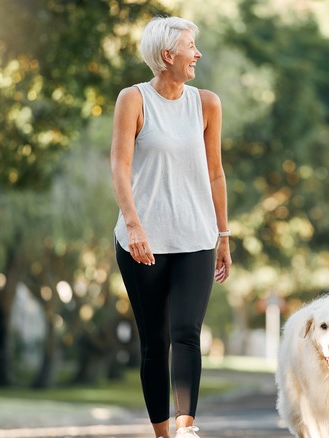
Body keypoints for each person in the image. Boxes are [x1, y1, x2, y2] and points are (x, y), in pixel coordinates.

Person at [110, 16, 231, 438]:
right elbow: (120, 167)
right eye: (190, 46)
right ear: (167, 55)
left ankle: (185, 430)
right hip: (142, 242)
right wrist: (134, 226)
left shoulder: (207, 103)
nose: (197, 53)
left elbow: (216, 173)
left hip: (195, 238)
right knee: (155, 341)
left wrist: (223, 235)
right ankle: (162, 434)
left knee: (186, 333)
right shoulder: (134, 100)